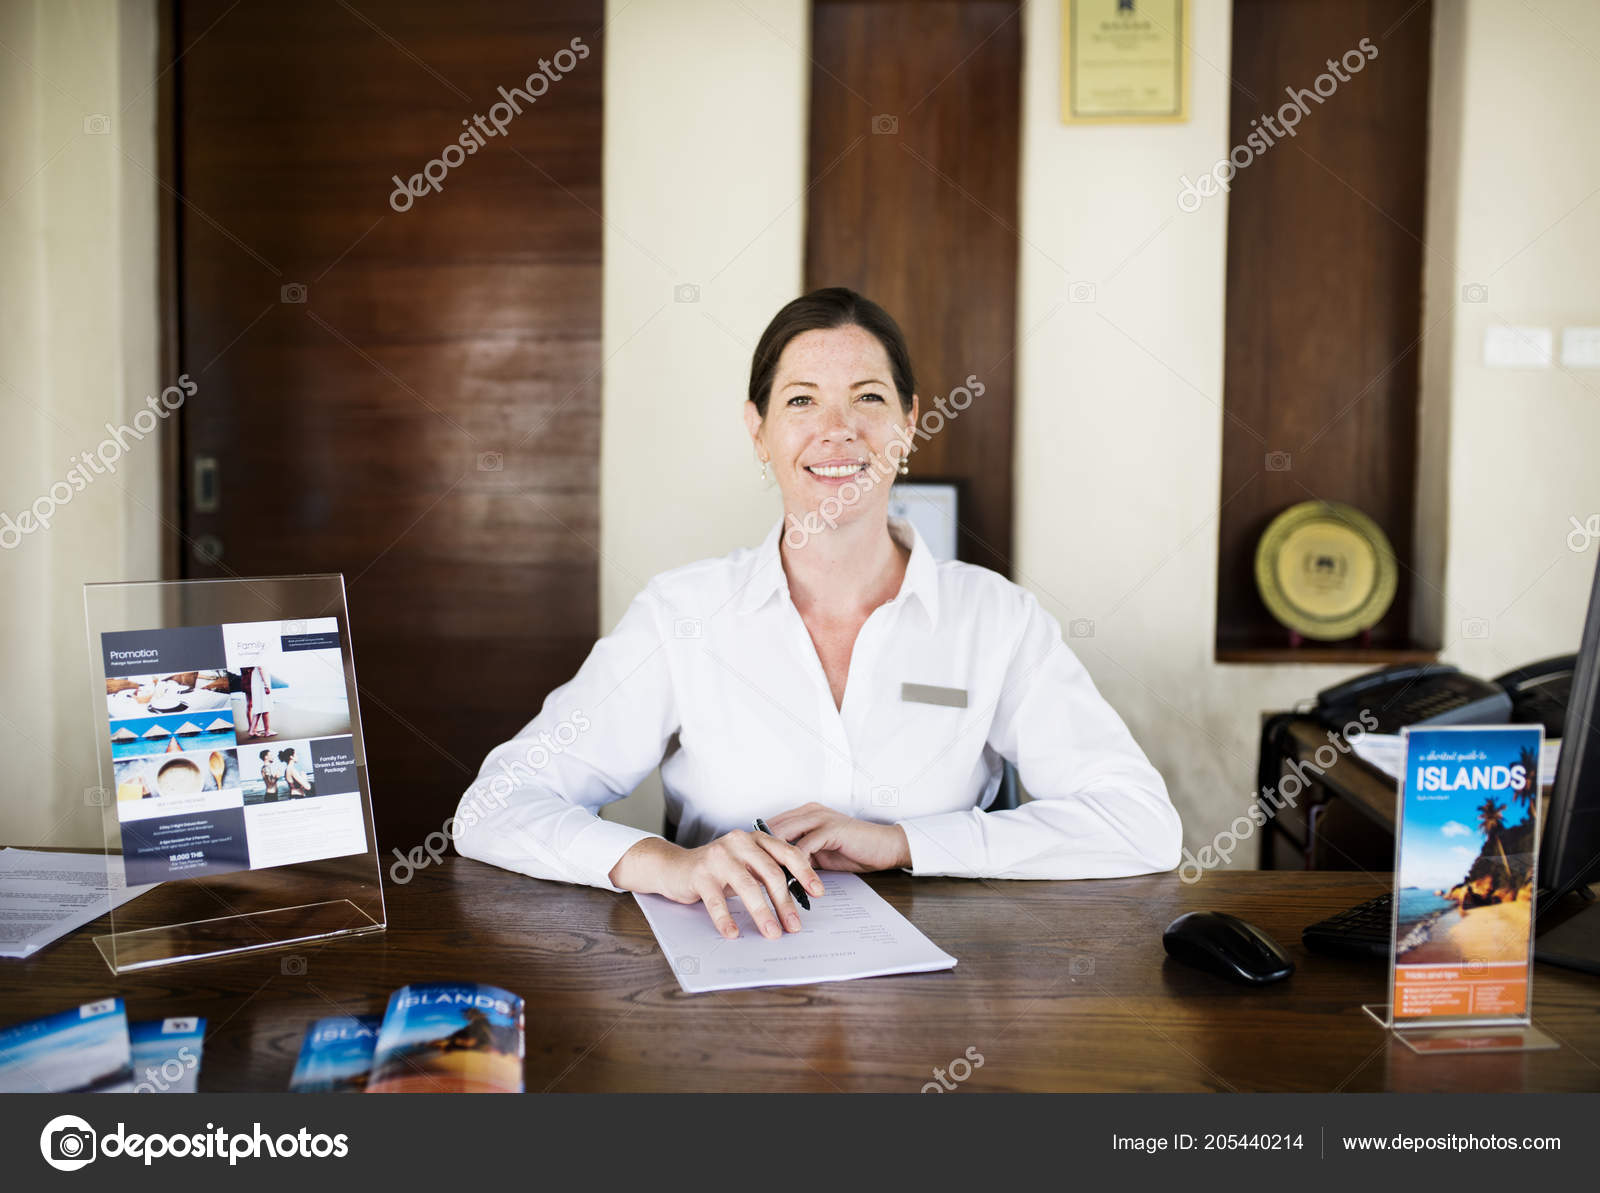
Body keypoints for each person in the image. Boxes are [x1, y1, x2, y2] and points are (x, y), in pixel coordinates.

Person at [452, 288, 1182, 942]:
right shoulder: (683, 612)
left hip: (941, 1007)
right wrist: (662, 863)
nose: (838, 430)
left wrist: (903, 842)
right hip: (731, 980)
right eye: (801, 400)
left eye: (868, 398)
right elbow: (495, 806)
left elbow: (1140, 824)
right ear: (759, 430)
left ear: (909, 423)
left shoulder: (997, 619)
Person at [248, 665, 274, 738]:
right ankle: (267, 731)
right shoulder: (260, 657)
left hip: (257, 683)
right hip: (260, 684)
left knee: (259, 707)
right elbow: (260, 669)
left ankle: (252, 730)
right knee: (265, 707)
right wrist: (266, 685)